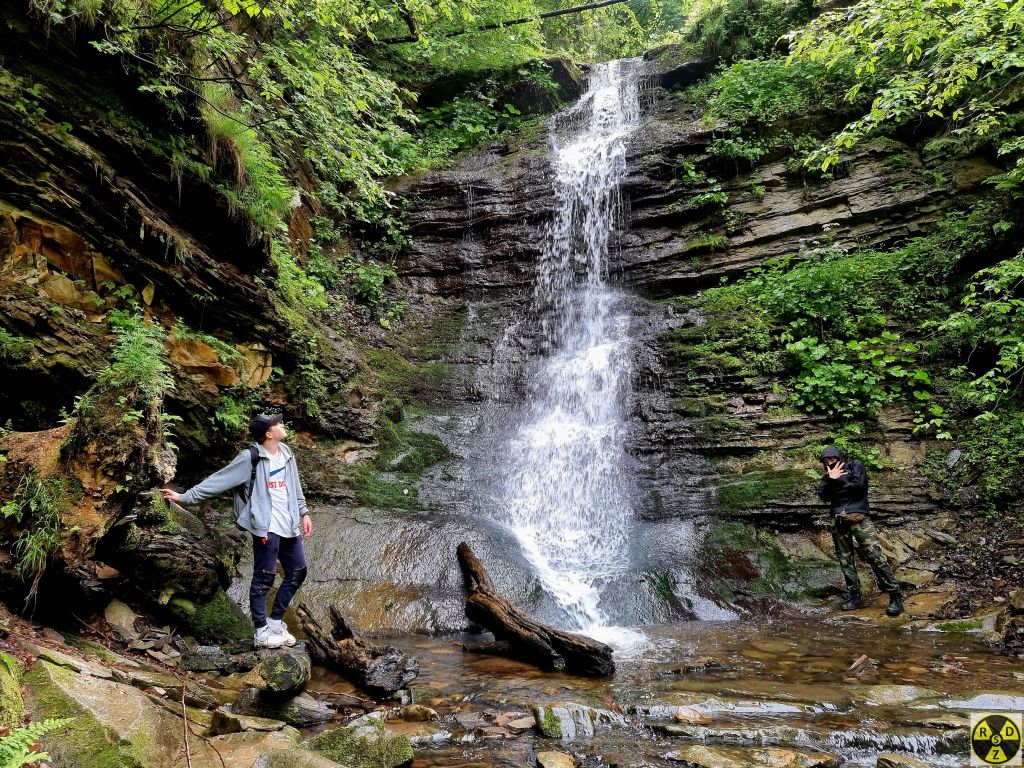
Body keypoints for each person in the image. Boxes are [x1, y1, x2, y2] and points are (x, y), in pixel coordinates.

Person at [160, 413, 313, 649]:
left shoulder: (286, 453)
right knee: (264, 577)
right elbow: (218, 480)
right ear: (268, 433)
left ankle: (275, 622)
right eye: (278, 424)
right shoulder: (250, 458)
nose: (283, 426)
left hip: (290, 523)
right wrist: (185, 497)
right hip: (265, 526)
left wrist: (304, 512)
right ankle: (261, 632)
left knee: (297, 572)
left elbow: (295, 486)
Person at [818, 445, 903, 616]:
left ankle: (895, 596)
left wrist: (836, 480)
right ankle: (854, 596)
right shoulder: (828, 476)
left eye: (832, 460)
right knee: (845, 559)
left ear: (839, 458)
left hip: (859, 518)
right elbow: (824, 496)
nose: (830, 463)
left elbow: (859, 486)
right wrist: (830, 478)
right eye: (826, 462)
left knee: (875, 555)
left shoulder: (855, 465)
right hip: (838, 520)